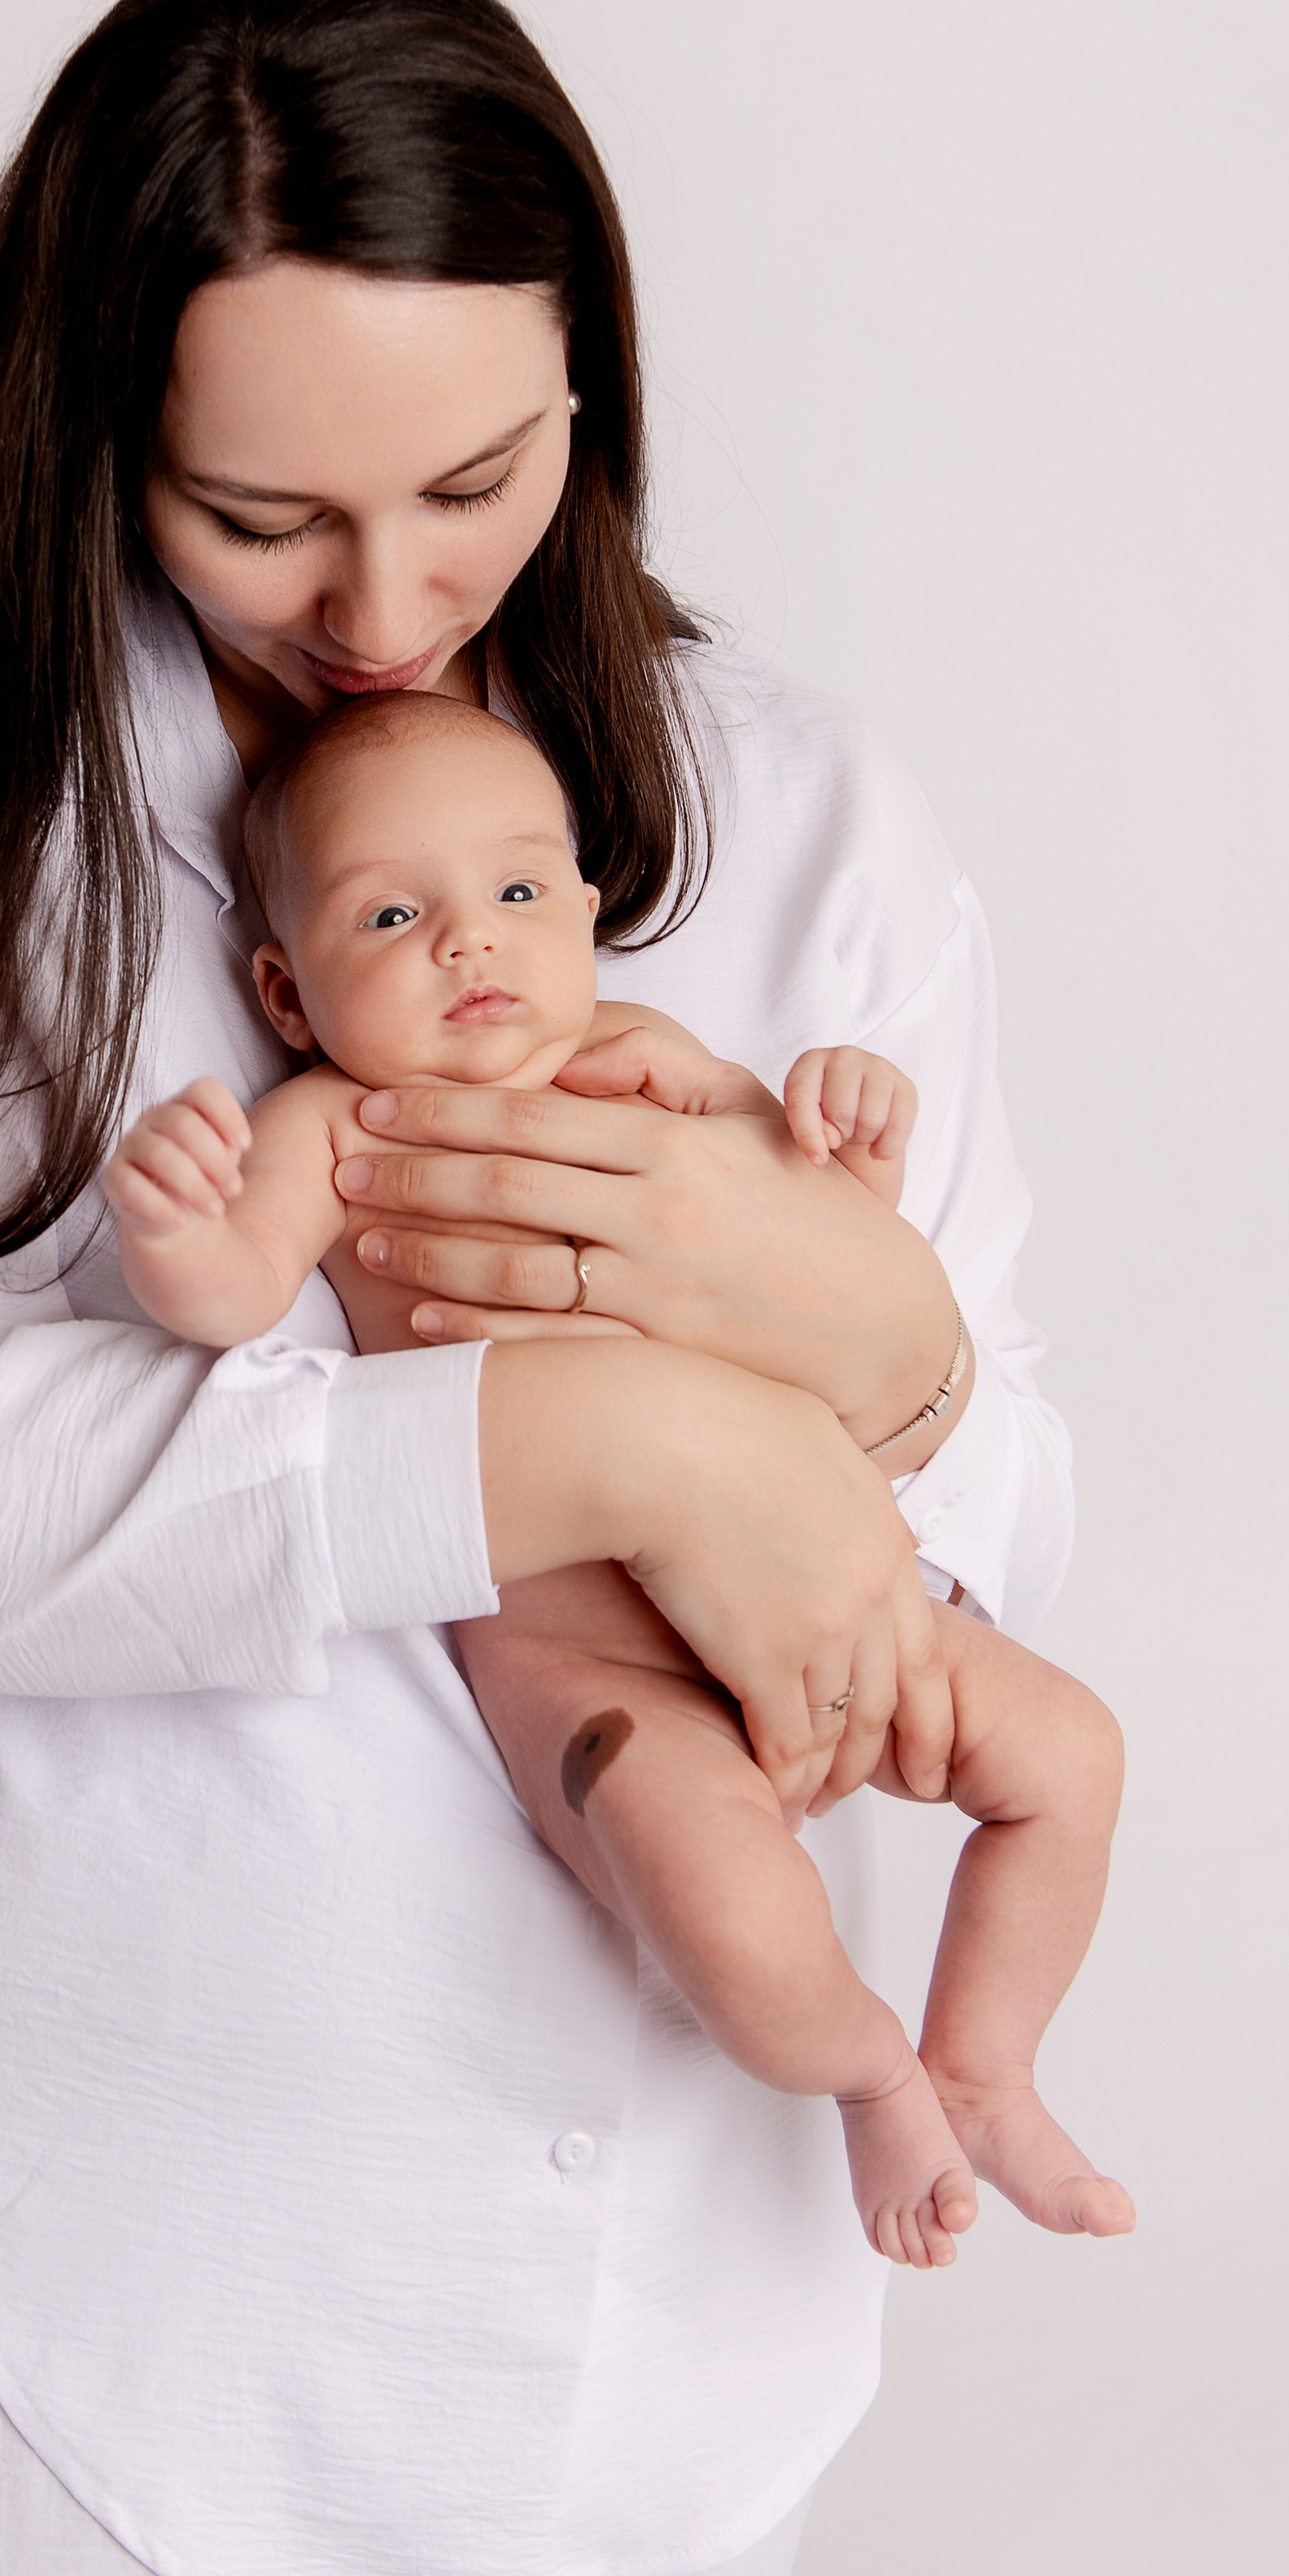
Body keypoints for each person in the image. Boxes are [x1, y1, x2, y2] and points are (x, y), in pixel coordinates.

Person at [0, 0, 1077, 2576]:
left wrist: (891, 1357)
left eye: (477, 478)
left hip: (685, 2315)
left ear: (590, 397)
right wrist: (592, 1440)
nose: (388, 597)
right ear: (93, 427)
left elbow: (998, 1490)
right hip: (120, 2330)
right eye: (260, 514)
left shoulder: (800, 810)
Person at [107, 690, 1133, 2277]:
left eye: (518, 893)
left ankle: (985, 2060)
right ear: (283, 989)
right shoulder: (329, 1127)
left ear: (586, 909)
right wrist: (179, 1230)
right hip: (583, 1656)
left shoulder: (643, 1062)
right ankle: (865, 2065)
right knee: (721, 1911)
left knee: (1068, 1751)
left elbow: (813, 1249)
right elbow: (237, 1294)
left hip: (825, 1585)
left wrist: (841, 1146)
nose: (471, 943)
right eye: (392, 913)